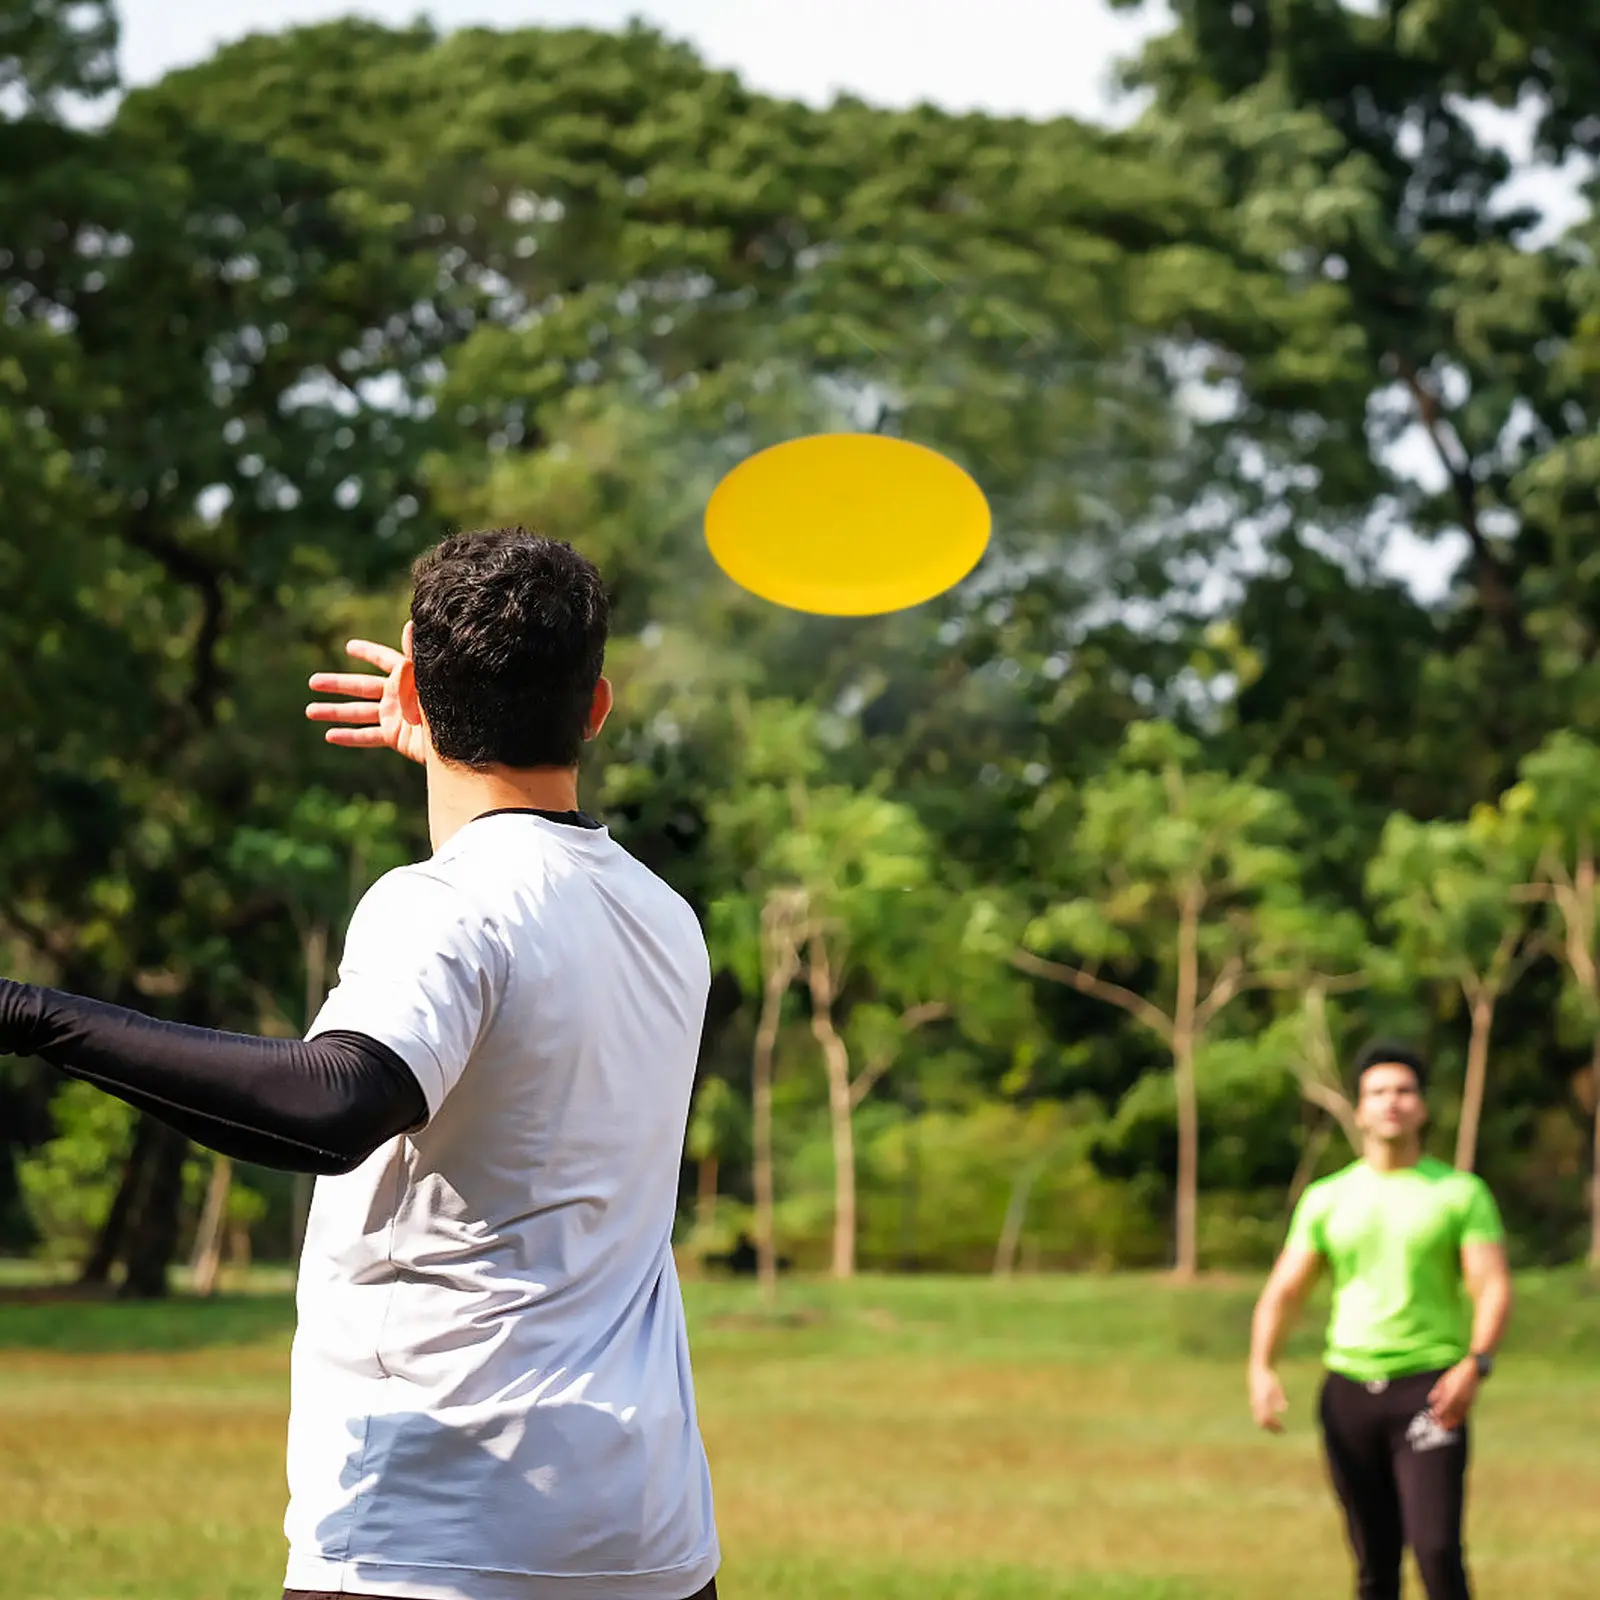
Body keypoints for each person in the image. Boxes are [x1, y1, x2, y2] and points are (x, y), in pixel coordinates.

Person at [0, 528, 721, 1600]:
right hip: (647, 1537)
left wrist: (30, 1015)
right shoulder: (664, 918)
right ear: (598, 708)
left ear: (415, 695)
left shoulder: (443, 904)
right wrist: (459, 740)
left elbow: (335, 1101)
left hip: (439, 1532)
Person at [1248, 1041, 1512, 1600]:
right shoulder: (1327, 1198)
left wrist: (1476, 1363)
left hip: (1430, 1392)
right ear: (1360, 1109)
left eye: (1404, 1091)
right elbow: (1285, 1291)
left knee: (1436, 1551)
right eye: (1378, 1092)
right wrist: (1262, 1365)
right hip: (1348, 1394)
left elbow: (1491, 1285)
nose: (1392, 1101)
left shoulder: (1459, 1194)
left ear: (1422, 1107)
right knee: (1374, 1562)